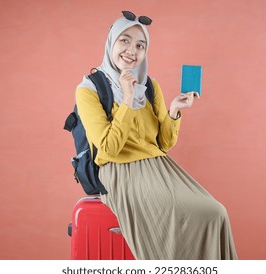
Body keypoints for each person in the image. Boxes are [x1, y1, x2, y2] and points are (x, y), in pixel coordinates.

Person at [75, 11, 238, 260]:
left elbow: (164, 143)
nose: (132, 50)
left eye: (141, 45)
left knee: (216, 212)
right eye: (124, 40)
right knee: (189, 214)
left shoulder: (150, 86)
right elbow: (108, 149)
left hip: (159, 166)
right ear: (111, 42)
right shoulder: (89, 89)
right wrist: (127, 99)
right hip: (120, 170)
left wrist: (173, 111)